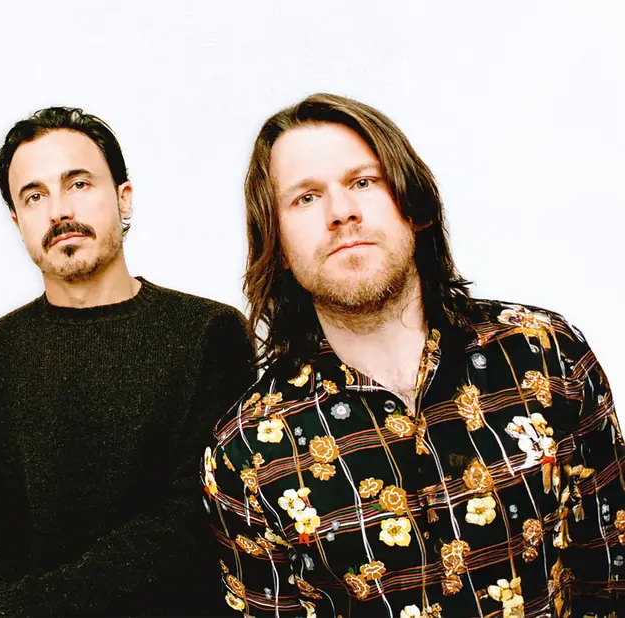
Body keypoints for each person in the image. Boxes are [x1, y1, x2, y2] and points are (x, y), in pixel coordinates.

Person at [204, 93, 623, 617]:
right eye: (305, 198)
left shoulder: (546, 353)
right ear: (278, 246)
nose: (341, 212)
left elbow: (612, 576)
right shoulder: (246, 454)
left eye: (363, 181)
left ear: (414, 207)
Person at [0, 106, 255, 617]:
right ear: (17, 220)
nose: (58, 210)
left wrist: (20, 607)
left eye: (79, 184)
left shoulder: (211, 334)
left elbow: (194, 525)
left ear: (123, 198)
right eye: (35, 196)